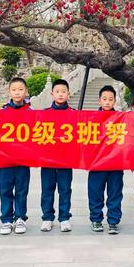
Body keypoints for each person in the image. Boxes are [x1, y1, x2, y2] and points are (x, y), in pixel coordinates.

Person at [88, 85, 123, 235]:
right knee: (95, 192)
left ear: (115, 101)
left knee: (115, 192)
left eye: (110, 99)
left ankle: (113, 221)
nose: (107, 102)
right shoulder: (91, 119)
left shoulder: (121, 118)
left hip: (115, 163)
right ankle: (96, 219)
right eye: (104, 99)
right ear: (99, 100)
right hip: (97, 163)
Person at [40, 79, 74, 233]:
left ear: (69, 94)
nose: (60, 94)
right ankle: (47, 217)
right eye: (57, 91)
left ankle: (64, 217)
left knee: (65, 189)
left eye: (63, 91)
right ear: (52, 94)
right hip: (47, 160)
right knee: (47, 189)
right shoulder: (44, 114)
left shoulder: (74, 114)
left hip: (66, 160)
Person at [0, 77, 31, 235]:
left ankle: (20, 218)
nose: (17, 92)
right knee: (5, 189)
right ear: (9, 92)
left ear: (26, 91)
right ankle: (6, 219)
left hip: (23, 159)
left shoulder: (31, 113)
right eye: (14, 90)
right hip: (5, 159)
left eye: (20, 89)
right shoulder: (2, 112)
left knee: (22, 189)